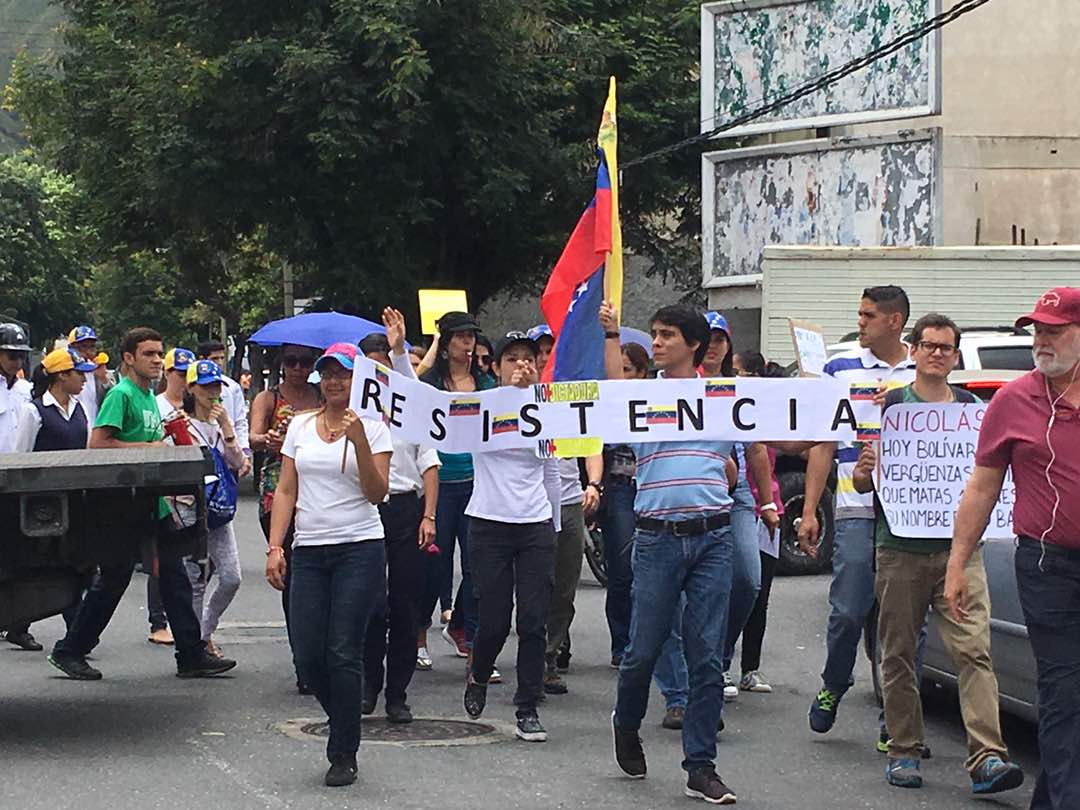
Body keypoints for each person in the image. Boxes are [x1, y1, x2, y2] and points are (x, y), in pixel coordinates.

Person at [852, 314, 1023, 793]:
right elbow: (865, 481)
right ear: (914, 351)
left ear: (955, 355)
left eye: (946, 348)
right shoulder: (891, 408)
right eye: (929, 346)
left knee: (975, 652)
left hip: (959, 553)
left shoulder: (972, 411)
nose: (937, 354)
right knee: (900, 652)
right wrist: (868, 468)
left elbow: (988, 476)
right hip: (899, 551)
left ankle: (988, 756)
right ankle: (904, 749)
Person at [945, 287, 1080, 810]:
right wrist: (957, 563)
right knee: (1065, 692)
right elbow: (982, 487)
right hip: (1049, 565)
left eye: (1055, 330)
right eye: (1037, 331)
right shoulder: (1014, 399)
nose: (1041, 341)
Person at [601, 302, 741, 804]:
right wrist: (612, 336)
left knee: (706, 656)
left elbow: (781, 434)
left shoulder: (725, 397)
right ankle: (627, 722)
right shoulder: (642, 395)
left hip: (713, 538)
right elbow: (612, 392)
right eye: (654, 335)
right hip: (658, 537)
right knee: (643, 648)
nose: (656, 343)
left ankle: (700, 765)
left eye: (666, 336)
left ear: (694, 345)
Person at [47, 327, 237, 680]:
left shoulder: (148, 396)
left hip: (153, 502)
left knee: (174, 576)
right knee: (115, 578)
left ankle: (191, 654)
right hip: (122, 503)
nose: (156, 360)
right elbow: (99, 444)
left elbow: (146, 441)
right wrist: (150, 449)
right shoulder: (122, 395)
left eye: (159, 354)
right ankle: (70, 650)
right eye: (149, 354)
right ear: (129, 358)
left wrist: (166, 437)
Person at [265, 341, 392, 788]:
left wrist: (357, 441)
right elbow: (285, 490)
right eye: (328, 373)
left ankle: (343, 751)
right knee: (308, 653)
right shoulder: (300, 426)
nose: (335, 381)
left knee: (342, 650)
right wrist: (276, 546)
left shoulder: (375, 428)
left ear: (358, 381)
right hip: (310, 549)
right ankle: (343, 717)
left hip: (359, 546)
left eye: (344, 373)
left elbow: (377, 493)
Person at [798, 286, 915, 737]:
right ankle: (834, 682)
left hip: (908, 514)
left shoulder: (922, 367)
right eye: (860, 314)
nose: (860, 322)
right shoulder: (839, 367)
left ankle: (898, 718)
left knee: (904, 621)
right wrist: (810, 510)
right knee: (848, 610)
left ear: (894, 321)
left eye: (868, 315)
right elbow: (823, 442)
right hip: (854, 506)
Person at [461, 331, 561, 743]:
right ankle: (480, 673)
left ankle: (528, 705)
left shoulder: (548, 409)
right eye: (512, 359)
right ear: (496, 368)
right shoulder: (479, 409)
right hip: (488, 522)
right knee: (494, 620)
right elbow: (419, 409)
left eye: (528, 359)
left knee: (534, 619)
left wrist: (553, 525)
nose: (522, 366)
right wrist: (398, 356)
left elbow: (551, 469)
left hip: (535, 524)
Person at [360, 325, 440, 723]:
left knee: (405, 603)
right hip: (366, 510)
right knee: (371, 604)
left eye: (384, 369)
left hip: (407, 509)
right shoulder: (354, 417)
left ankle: (398, 693)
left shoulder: (411, 411)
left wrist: (429, 515)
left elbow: (430, 463)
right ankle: (368, 683)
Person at [419, 312, 494, 664]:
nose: (468, 344)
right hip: (439, 483)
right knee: (433, 565)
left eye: (471, 337)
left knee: (479, 566)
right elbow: (411, 389)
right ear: (447, 343)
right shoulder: (432, 383)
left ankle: (472, 639)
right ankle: (418, 638)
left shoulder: (486, 383)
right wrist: (432, 346)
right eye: (461, 337)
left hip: (477, 483)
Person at [250, 343, 321, 690]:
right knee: (294, 578)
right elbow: (253, 437)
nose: (298, 368)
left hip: (319, 489)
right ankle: (304, 662)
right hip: (278, 487)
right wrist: (270, 439)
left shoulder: (323, 396)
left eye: (305, 362)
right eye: (291, 362)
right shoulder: (268, 398)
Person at [729, 350, 785, 694]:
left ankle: (751, 667)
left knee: (758, 589)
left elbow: (798, 445)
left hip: (767, 508)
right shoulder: (720, 402)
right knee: (731, 588)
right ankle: (719, 663)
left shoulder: (768, 411)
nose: (737, 378)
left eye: (740, 372)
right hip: (732, 504)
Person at [181, 360, 245, 657]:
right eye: (205, 386)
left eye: (216, 386)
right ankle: (195, 646)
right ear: (191, 389)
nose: (212, 392)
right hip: (190, 511)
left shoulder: (221, 425)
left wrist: (227, 430)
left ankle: (205, 631)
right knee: (194, 580)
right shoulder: (179, 424)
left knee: (231, 577)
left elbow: (240, 465)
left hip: (219, 512)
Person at [600, 342, 650, 668]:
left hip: (651, 487)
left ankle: (647, 638)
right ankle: (622, 643)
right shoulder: (607, 400)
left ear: (642, 372)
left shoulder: (658, 397)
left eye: (627, 370)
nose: (620, 376)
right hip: (619, 488)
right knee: (621, 569)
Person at [148, 346, 197, 646]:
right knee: (163, 561)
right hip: (163, 492)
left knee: (189, 563)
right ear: (168, 374)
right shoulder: (156, 405)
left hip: (191, 490)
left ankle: (194, 637)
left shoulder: (199, 403)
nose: (183, 380)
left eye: (188, 375)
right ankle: (158, 621)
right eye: (179, 374)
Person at [0, 325, 44, 651]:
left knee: (20, 555)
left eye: (20, 356)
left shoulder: (27, 391)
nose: (16, 361)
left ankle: (18, 623)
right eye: (10, 354)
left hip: (21, 480)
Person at [543, 454, 601, 694]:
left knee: (565, 587)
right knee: (534, 585)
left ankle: (550, 655)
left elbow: (591, 446)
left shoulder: (573, 415)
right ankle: (533, 657)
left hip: (569, 502)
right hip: (532, 501)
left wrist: (594, 484)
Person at [197, 341, 251, 477]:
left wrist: (245, 451)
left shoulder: (232, 387)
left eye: (222, 358)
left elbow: (240, 421)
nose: (219, 362)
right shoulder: (193, 387)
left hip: (229, 454)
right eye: (214, 359)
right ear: (202, 359)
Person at [66, 325, 105, 434]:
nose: (88, 351)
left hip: (93, 429)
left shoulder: (95, 369)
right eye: (83, 346)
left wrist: (103, 380)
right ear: (72, 347)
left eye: (92, 347)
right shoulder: (65, 370)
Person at [700, 312, 734, 377]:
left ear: (728, 346)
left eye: (718, 340)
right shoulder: (678, 383)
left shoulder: (740, 384)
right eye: (705, 339)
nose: (711, 345)